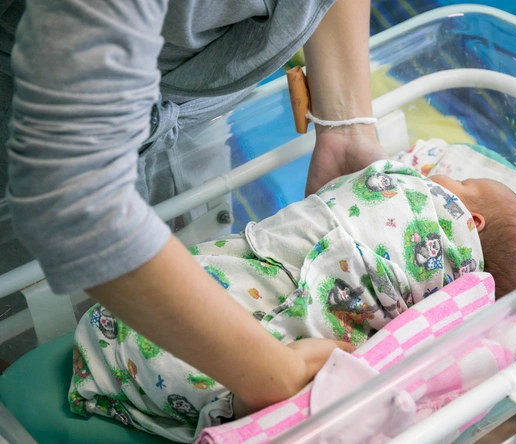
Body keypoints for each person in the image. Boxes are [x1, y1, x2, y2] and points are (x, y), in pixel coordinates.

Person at [3, 0, 386, 415]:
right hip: (36, 127)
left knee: (204, 265)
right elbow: (72, 198)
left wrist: (345, 126)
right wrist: (271, 373)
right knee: (34, 337)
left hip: (199, 99)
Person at [68, 159, 516, 441]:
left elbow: (375, 186)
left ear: (472, 219)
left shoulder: (425, 202)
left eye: (464, 183)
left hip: (131, 316)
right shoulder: (448, 300)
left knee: (217, 281)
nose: (442, 174)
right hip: (209, 364)